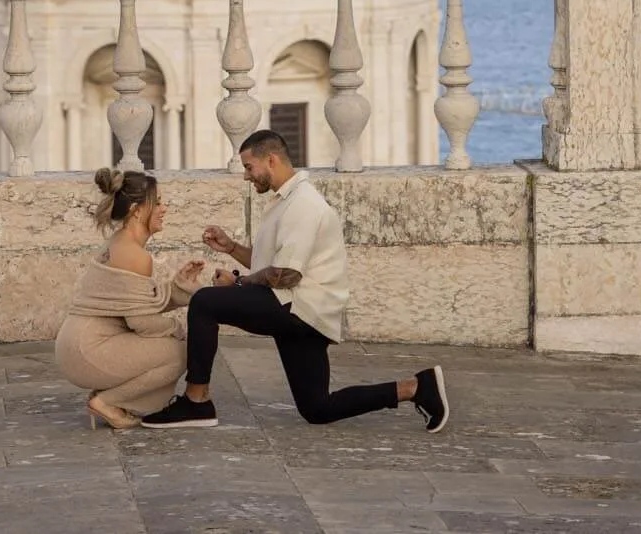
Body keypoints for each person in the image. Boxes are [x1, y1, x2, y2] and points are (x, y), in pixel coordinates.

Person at [139, 129, 449, 432]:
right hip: (304, 312)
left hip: (298, 308)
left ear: (271, 160)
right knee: (317, 409)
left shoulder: (303, 204)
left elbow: (287, 275)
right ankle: (416, 388)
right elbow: (272, 267)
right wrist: (231, 248)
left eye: (249, 167)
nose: (246, 175)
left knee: (205, 302)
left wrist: (237, 285)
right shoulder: (285, 200)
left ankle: (196, 401)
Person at [53, 167, 206, 430]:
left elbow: (133, 304)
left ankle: (110, 399)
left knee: (170, 345)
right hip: (88, 349)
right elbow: (142, 321)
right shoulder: (134, 255)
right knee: (180, 352)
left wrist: (179, 288)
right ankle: (106, 402)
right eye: (157, 202)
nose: (164, 208)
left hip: (79, 345)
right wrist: (177, 329)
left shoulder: (121, 243)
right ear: (137, 210)